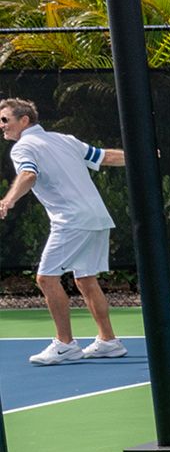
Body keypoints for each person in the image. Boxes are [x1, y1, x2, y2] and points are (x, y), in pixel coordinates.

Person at [0, 98, 128, 365]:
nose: (1, 126)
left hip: (71, 221)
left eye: (5, 120)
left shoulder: (23, 147)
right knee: (85, 279)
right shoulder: (64, 139)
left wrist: (8, 200)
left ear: (24, 121)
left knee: (46, 279)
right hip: (97, 217)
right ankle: (108, 341)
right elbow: (105, 156)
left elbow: (28, 175)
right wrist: (143, 156)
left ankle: (66, 344)